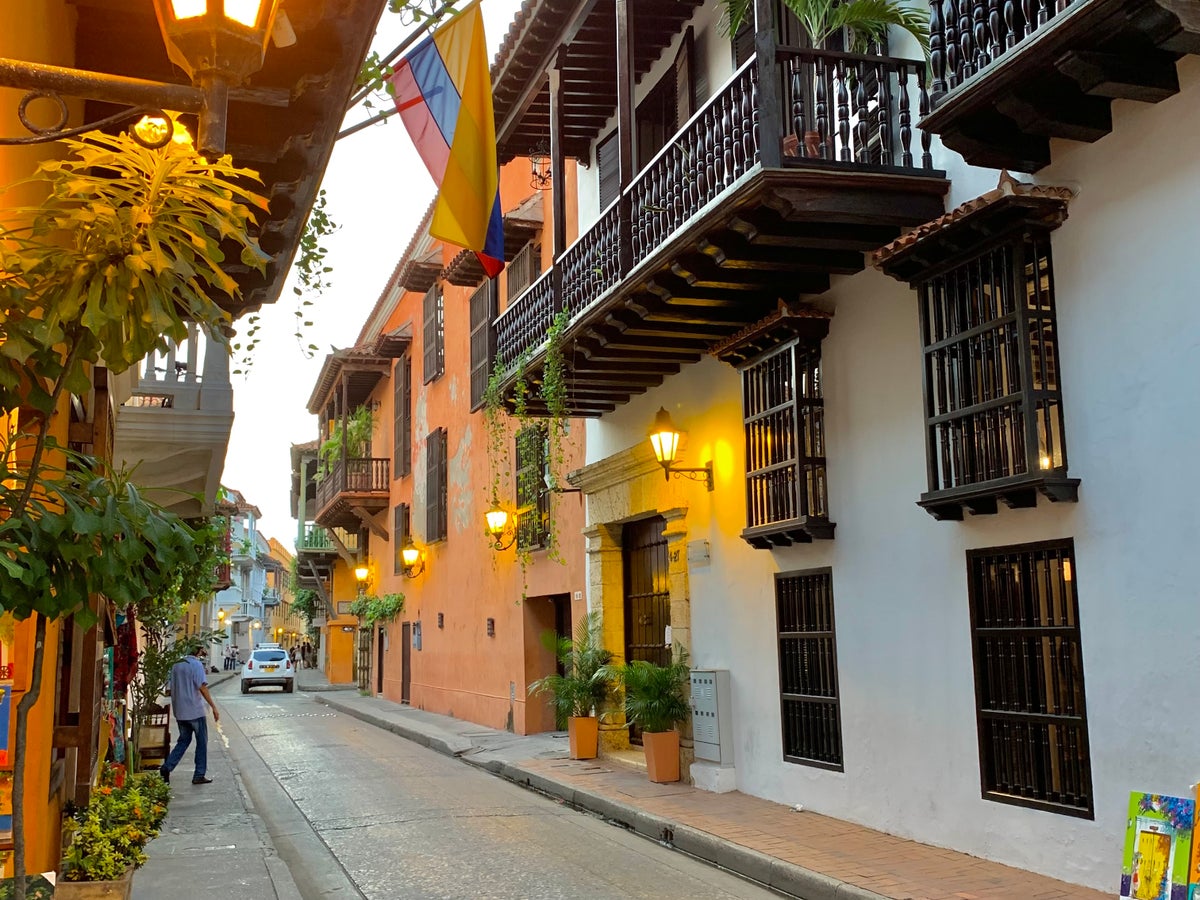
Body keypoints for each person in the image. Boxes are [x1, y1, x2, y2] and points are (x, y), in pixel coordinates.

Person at [160, 642, 219, 785]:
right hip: (195, 710)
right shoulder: (196, 665)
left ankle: (167, 766)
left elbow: (169, 688)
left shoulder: (176, 664)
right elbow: (202, 687)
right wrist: (213, 706)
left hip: (180, 711)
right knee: (201, 743)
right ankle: (199, 774)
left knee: (183, 741)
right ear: (198, 651)